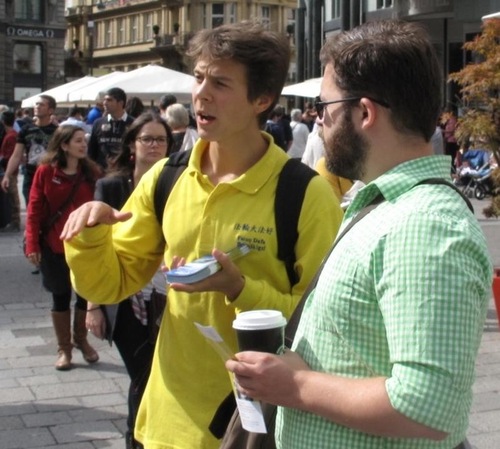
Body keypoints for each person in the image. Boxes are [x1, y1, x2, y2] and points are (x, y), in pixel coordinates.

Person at [62, 21, 342, 449]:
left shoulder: (304, 194)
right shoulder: (167, 178)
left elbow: (325, 329)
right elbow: (109, 281)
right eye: (198, 77)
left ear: (262, 100)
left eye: (221, 82)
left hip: (259, 426)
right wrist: (91, 235)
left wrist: (240, 288)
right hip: (167, 420)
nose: (201, 93)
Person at [226, 20, 492, 449]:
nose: (319, 120)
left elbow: (427, 403)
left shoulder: (422, 224)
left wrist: (296, 386)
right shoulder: (387, 206)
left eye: (325, 105)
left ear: (365, 113)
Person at [85, 112, 173, 449]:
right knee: (142, 374)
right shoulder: (111, 186)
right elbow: (95, 247)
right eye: (147, 139)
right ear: (132, 146)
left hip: (168, 296)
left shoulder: (176, 184)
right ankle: (136, 439)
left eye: (161, 139)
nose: (154, 145)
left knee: (158, 373)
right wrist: (92, 305)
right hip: (124, 300)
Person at [25, 125, 101, 370]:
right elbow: (34, 210)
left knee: (84, 295)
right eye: (78, 141)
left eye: (84, 140)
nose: (83, 144)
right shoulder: (46, 172)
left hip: (85, 248)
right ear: (64, 145)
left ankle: (82, 340)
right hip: (54, 246)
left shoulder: (92, 173)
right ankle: (64, 348)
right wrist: (32, 244)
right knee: (60, 297)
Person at [1, 95, 58, 207]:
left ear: (50, 110)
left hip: (50, 176)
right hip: (30, 176)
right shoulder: (26, 130)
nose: (37, 106)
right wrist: (7, 175)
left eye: (41, 104)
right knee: (31, 208)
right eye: (36, 104)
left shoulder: (57, 132)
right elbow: (16, 155)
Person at [87, 87, 134, 170]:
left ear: (120, 103)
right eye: (104, 100)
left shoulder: (133, 124)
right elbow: (91, 151)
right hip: (101, 173)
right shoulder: (98, 123)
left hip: (124, 172)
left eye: (109, 100)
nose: (104, 103)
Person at [0, 111, 21, 232]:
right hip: (7, 169)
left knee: (13, 195)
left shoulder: (11, 136)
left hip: (9, 170)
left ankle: (16, 221)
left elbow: (11, 155)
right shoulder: (9, 134)